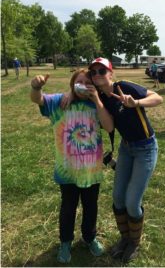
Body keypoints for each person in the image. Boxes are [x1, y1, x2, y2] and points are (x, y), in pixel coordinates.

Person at [30, 69, 113, 264]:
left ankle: (89, 238)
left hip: (92, 171)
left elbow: (109, 127)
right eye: (79, 81)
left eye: (87, 82)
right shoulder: (60, 102)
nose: (82, 85)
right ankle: (65, 242)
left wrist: (97, 101)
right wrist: (36, 87)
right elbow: (38, 99)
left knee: (91, 206)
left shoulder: (98, 104)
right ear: (72, 84)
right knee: (68, 207)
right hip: (67, 171)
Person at [88, 57, 163, 262]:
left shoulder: (124, 87)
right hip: (126, 149)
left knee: (131, 202)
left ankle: (134, 243)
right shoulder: (100, 100)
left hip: (146, 148)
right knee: (118, 198)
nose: (97, 75)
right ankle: (124, 238)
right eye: (93, 73)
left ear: (111, 73)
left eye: (101, 71)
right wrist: (95, 100)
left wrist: (136, 102)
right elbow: (110, 128)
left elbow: (158, 98)